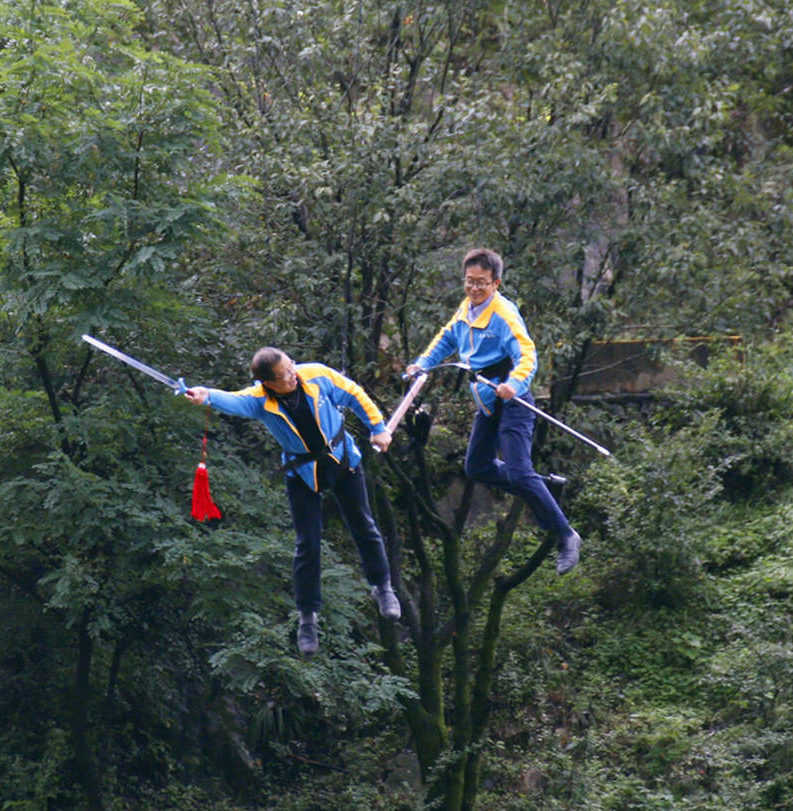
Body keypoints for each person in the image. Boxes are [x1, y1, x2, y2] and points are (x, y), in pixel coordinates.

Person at [184, 348, 402, 655]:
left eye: (292, 367)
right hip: (302, 473)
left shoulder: (316, 375)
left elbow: (353, 392)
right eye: (285, 374)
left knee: (364, 526)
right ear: (268, 383)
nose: (293, 374)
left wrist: (377, 428)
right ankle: (307, 618)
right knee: (307, 544)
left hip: (342, 461)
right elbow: (232, 400)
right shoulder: (261, 400)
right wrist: (205, 395)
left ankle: (383, 587)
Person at [406, 248, 582, 574]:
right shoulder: (466, 309)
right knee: (477, 467)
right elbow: (446, 339)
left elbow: (527, 353)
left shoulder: (503, 314)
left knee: (518, 470)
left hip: (514, 401)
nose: (474, 289)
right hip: (487, 401)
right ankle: (537, 483)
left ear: (496, 283)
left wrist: (515, 383)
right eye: (469, 282)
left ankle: (566, 535)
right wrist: (422, 365)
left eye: (482, 284)